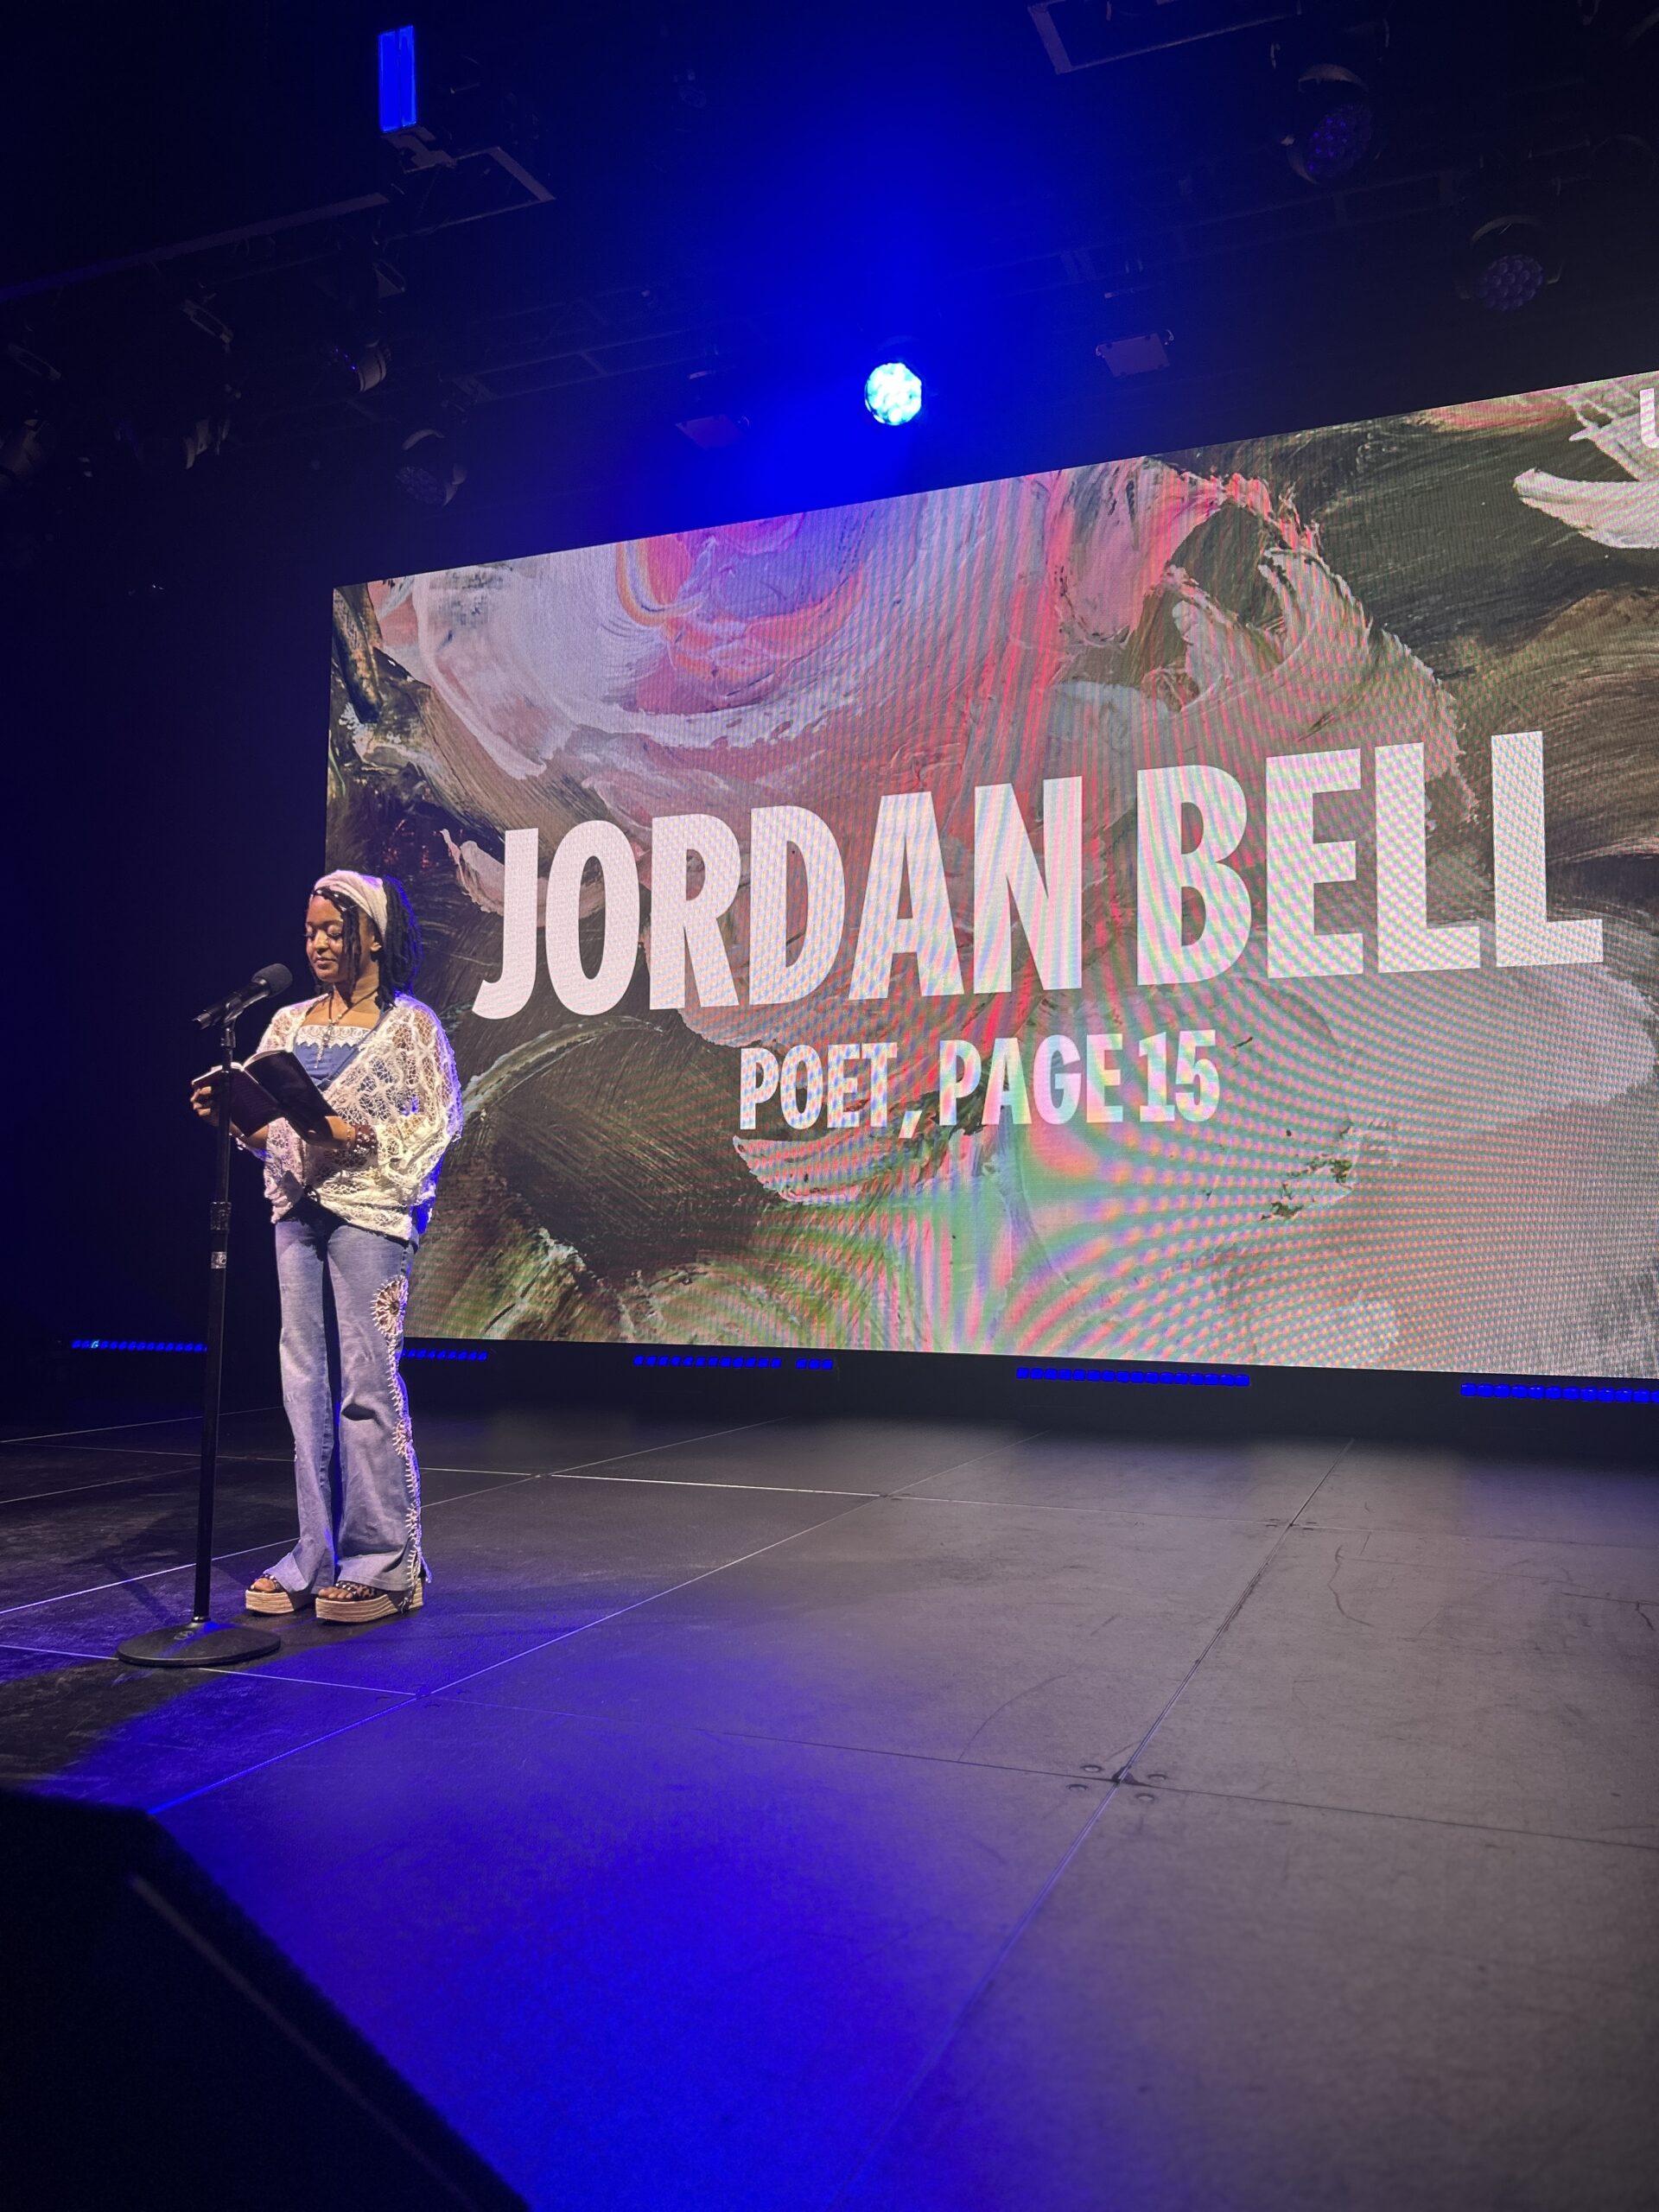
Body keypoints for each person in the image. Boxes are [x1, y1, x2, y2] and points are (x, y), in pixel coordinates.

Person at [190, 870, 463, 1625]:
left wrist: (348, 1132)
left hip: (371, 1214)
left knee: (366, 1385)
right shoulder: (285, 1024)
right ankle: (314, 1552)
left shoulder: (411, 1026)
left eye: (332, 931)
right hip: (299, 1211)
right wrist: (237, 1118)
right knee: (303, 1381)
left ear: (371, 935)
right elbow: (274, 1136)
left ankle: (387, 1564)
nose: (316, 943)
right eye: (310, 930)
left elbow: (437, 1123)